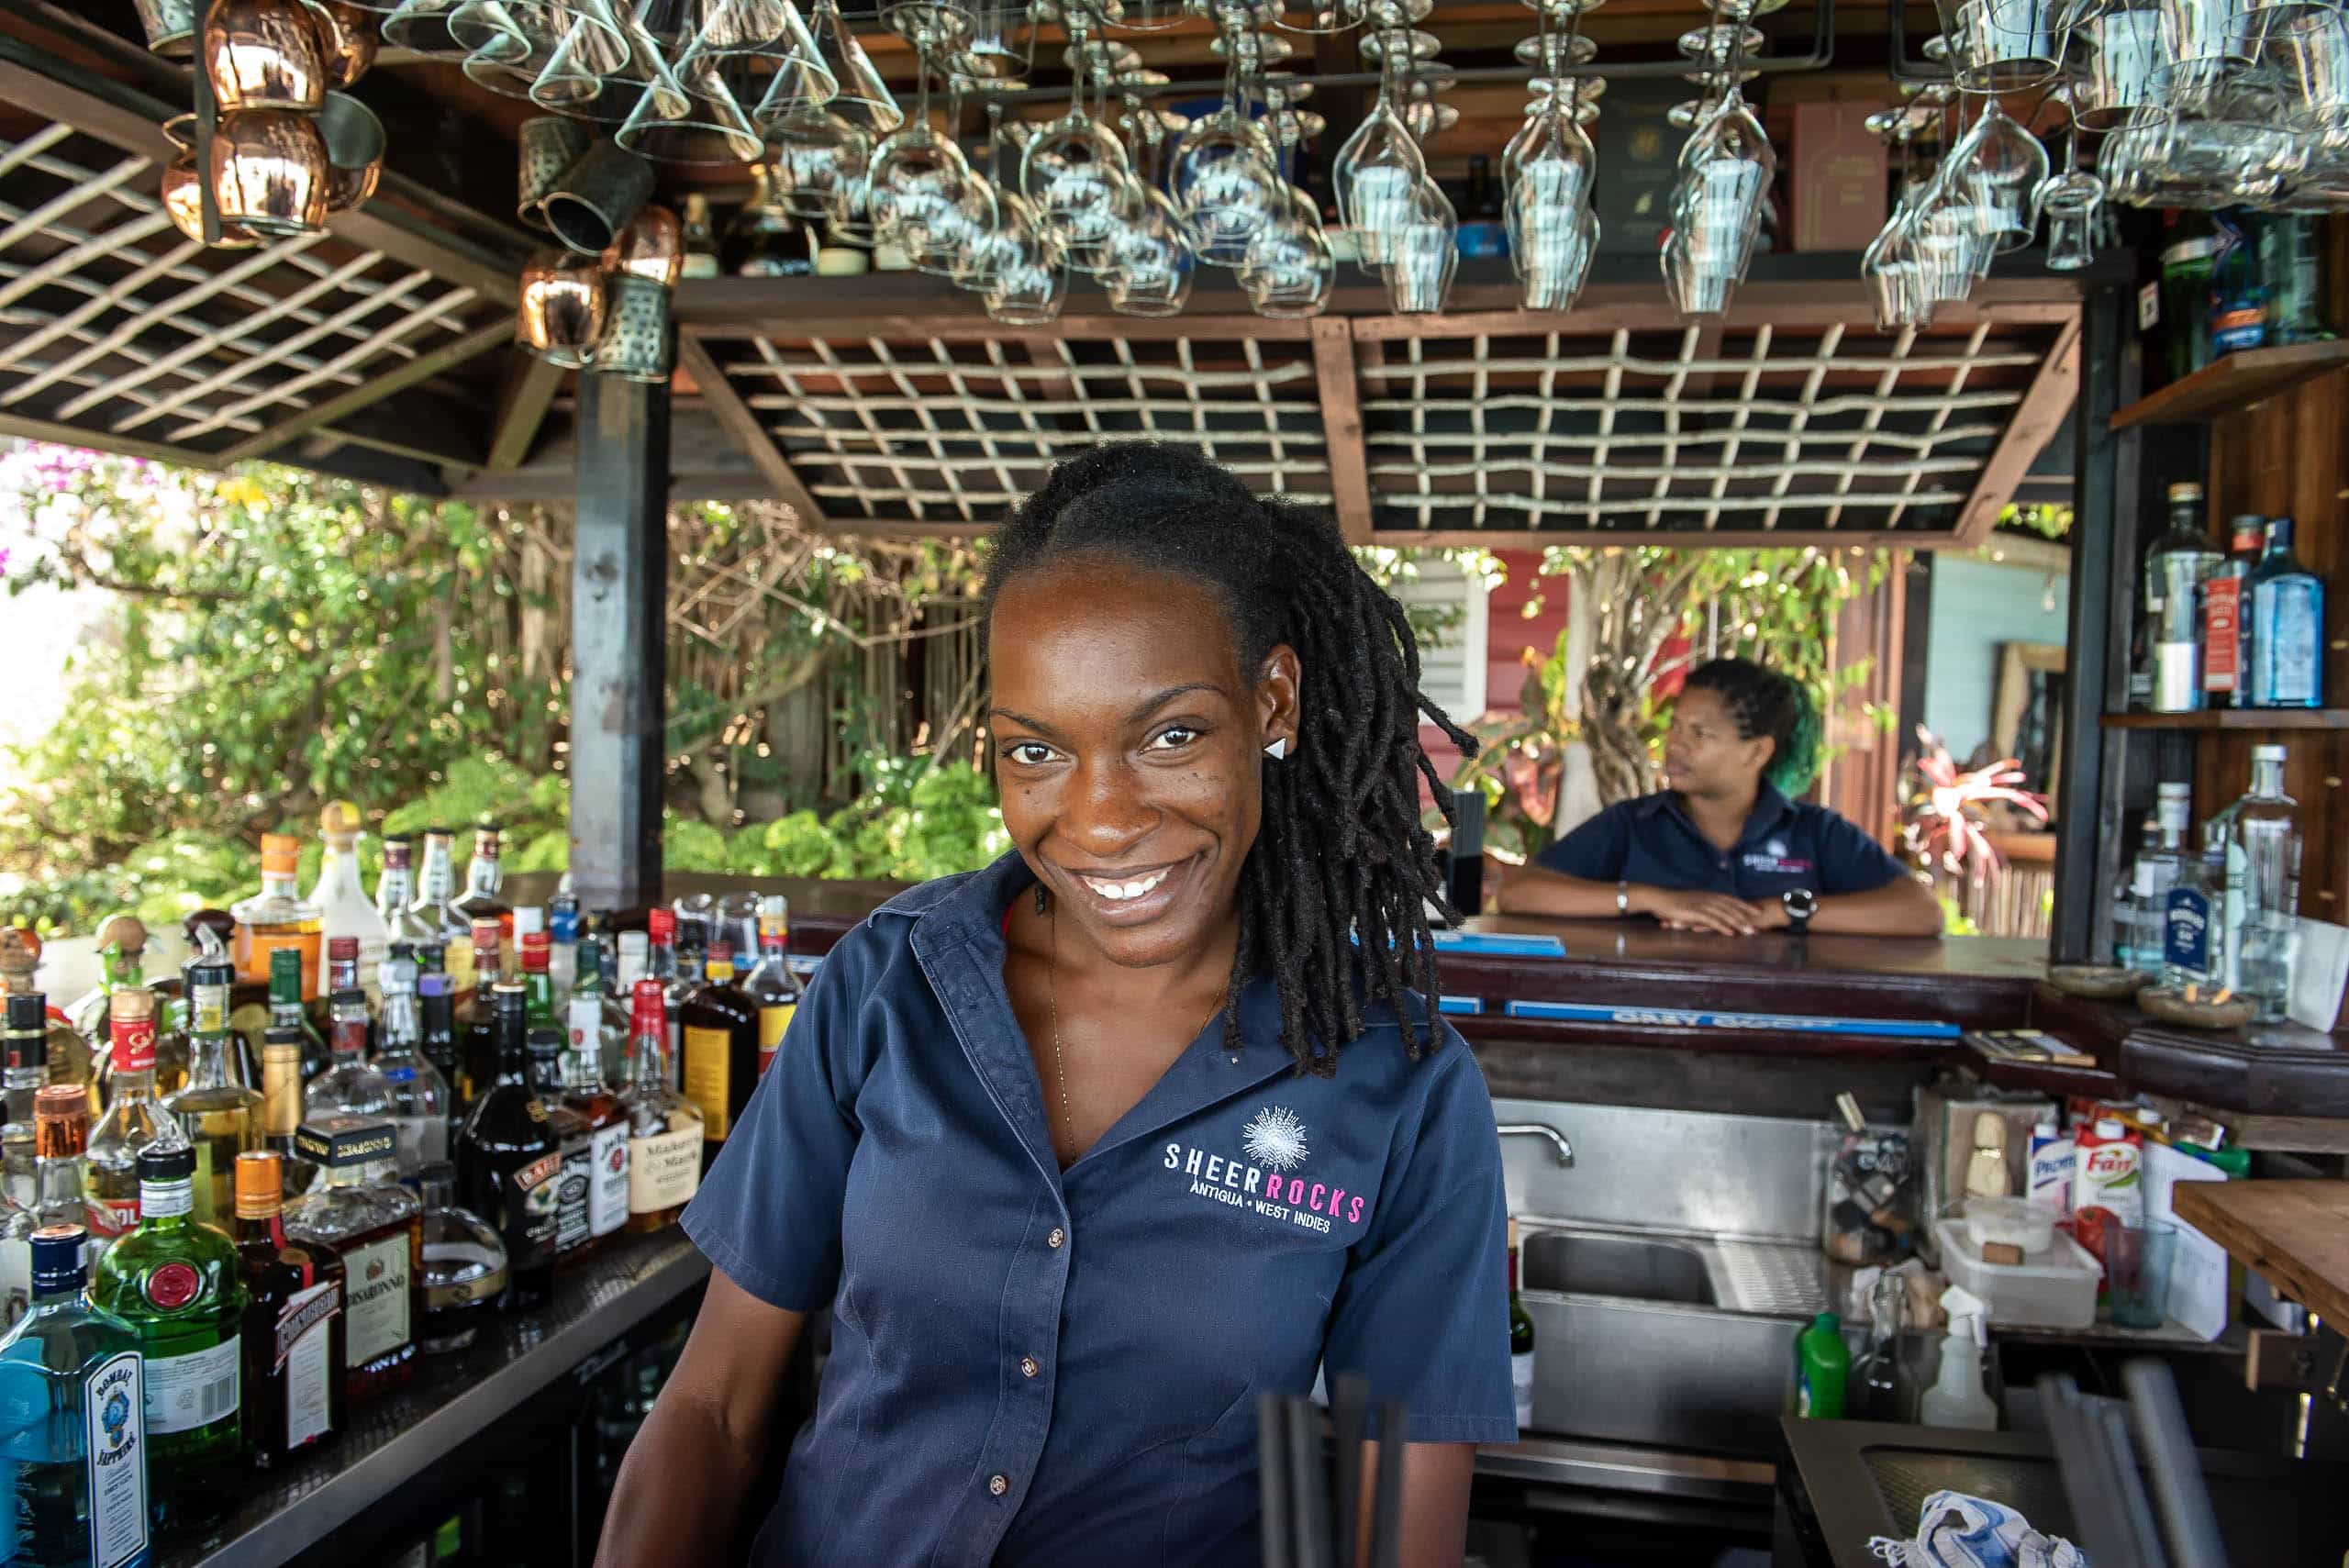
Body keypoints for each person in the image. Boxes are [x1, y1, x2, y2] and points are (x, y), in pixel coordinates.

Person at [595, 443, 1518, 1568]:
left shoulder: (1398, 1081)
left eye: (1169, 735)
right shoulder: (890, 983)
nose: (1098, 821)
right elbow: (715, 1408)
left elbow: (1392, 1525)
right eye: (1035, 750)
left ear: (1270, 700)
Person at [1496, 656, 1943, 938]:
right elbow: (1520, 894)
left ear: (1757, 751)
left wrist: (1782, 911)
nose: (1675, 744)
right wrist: (1653, 899)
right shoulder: (1633, 825)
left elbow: (1920, 913)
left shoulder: (1815, 832)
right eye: (1675, 727)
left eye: (1699, 734)